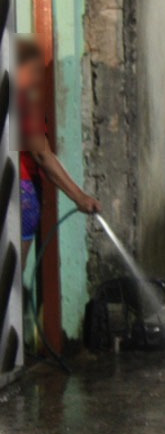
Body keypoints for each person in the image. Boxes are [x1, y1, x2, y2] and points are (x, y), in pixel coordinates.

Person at [16, 38, 101, 266]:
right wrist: (79, 197)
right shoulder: (23, 101)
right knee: (10, 282)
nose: (37, 78)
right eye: (34, 70)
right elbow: (41, 154)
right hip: (21, 192)